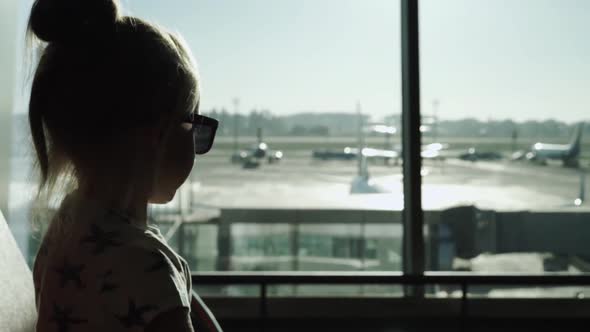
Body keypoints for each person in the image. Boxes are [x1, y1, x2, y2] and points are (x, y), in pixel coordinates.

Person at [26, 0, 221, 331]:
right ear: (155, 135)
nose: (196, 143)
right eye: (193, 123)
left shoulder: (67, 230)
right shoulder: (146, 269)